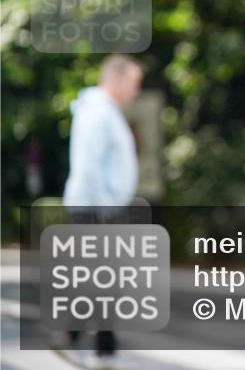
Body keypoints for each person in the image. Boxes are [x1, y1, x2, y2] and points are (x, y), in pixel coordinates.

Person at [61, 54, 143, 368]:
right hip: (96, 209)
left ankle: (85, 338)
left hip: (99, 207)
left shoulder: (104, 111)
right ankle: (94, 344)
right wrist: (103, 208)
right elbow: (88, 167)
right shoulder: (98, 113)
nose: (135, 91)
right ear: (116, 79)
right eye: (133, 83)